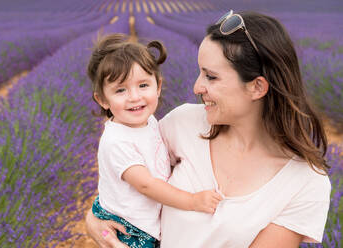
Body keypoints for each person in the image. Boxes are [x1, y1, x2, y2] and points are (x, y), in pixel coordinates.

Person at [86, 11, 331, 248]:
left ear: (257, 87)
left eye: (211, 77)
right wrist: (95, 220)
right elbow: (130, 182)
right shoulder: (183, 124)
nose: (196, 87)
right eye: (200, 72)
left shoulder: (305, 183)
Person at [86, 34, 222, 248]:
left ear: (158, 86)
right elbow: (146, 184)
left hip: (143, 222)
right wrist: (192, 201)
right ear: (102, 100)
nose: (134, 97)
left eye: (143, 85)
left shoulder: (148, 121)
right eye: (121, 90)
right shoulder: (116, 141)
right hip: (130, 229)